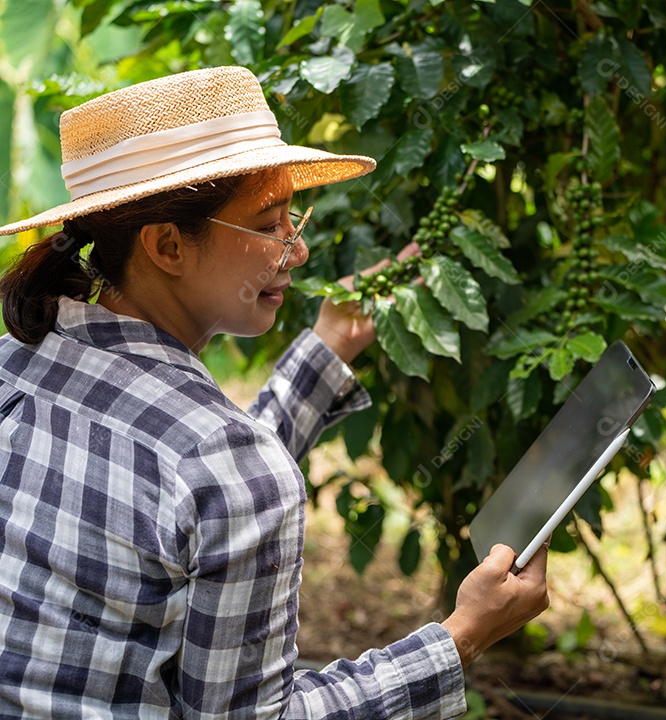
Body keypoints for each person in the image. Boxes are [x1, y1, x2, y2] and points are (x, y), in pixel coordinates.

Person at [0, 66, 549, 718]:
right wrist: (463, 637)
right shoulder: (222, 464)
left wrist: (328, 349)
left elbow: (184, 483)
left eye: (294, 218)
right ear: (168, 245)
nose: (298, 249)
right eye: (268, 225)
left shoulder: (20, 360)